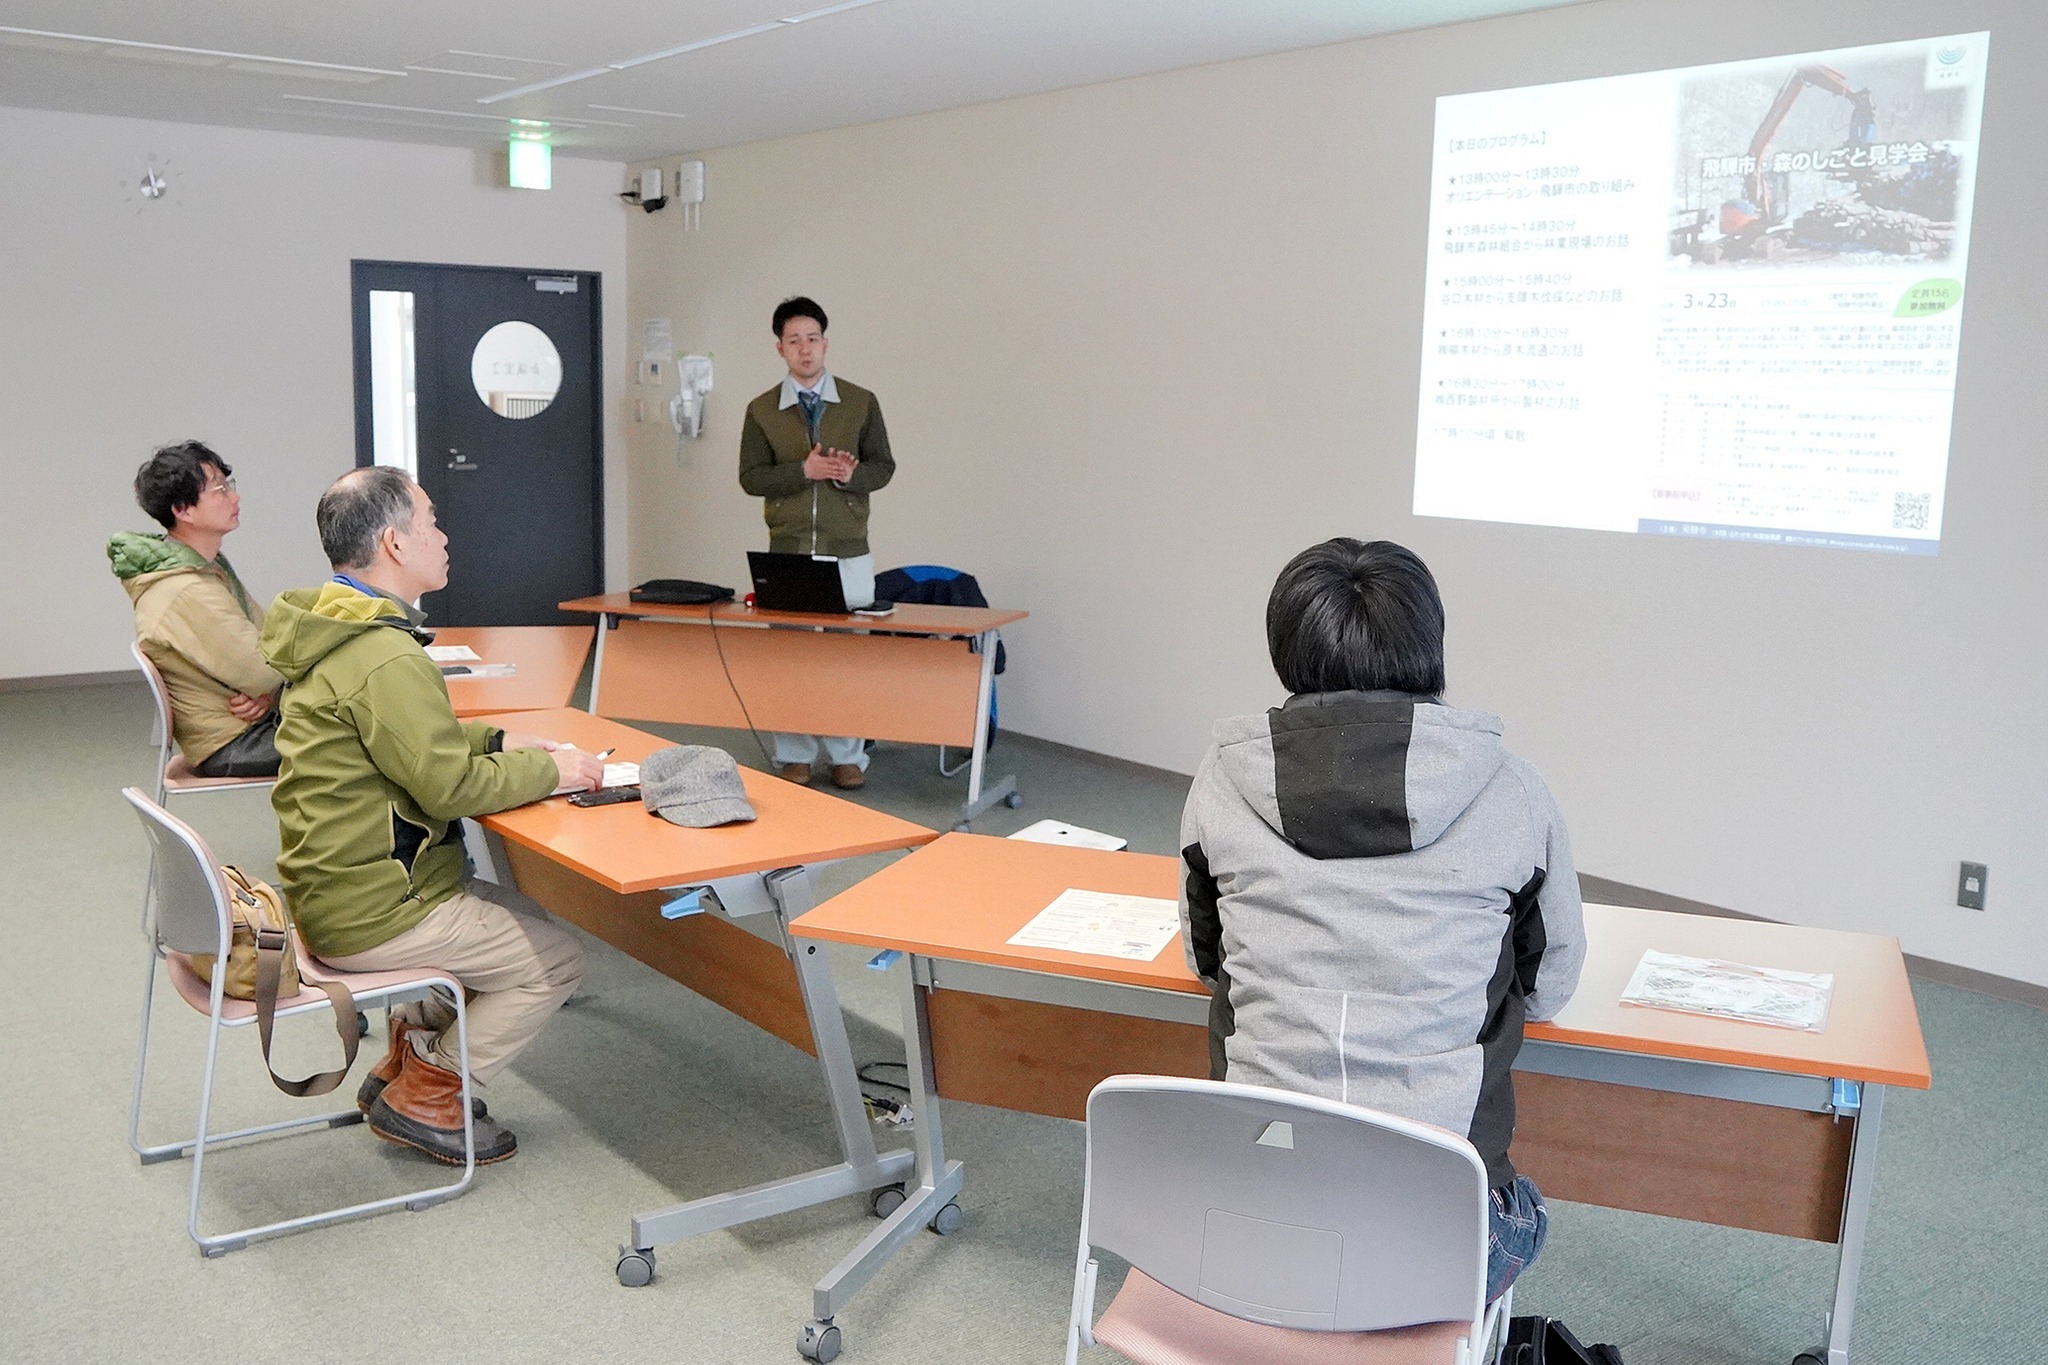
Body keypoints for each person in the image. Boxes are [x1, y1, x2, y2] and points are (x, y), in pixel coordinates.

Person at [1176, 538, 1585, 1303]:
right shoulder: (1512, 790)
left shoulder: (1218, 783)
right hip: (1437, 1240)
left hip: (1250, 1221)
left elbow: (1206, 955)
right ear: (1429, 644)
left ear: (1287, 648)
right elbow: (1552, 979)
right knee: (1518, 1216)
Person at [261, 466, 604, 1166]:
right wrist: (556, 769)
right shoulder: (383, 654)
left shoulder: (337, 629)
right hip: (379, 908)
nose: (444, 536)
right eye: (432, 521)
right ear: (394, 542)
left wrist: (502, 741)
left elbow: (406, 746)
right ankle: (429, 1089)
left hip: (338, 891)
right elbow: (447, 786)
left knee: (527, 920)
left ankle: (404, 1059)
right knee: (558, 959)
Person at [737, 295, 896, 789]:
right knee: (792, 658)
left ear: (825, 344)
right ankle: (795, 754)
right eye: (793, 341)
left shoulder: (860, 401)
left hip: (847, 546)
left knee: (847, 659)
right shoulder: (762, 409)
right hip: (787, 552)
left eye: (812, 339)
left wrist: (850, 475)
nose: (805, 350)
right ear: (779, 349)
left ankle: (848, 756)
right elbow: (751, 478)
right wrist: (800, 472)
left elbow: (883, 466)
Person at [107, 441, 285, 777]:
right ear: (183, 510)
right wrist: (266, 684)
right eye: (219, 489)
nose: (234, 497)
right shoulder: (185, 588)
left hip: (250, 724)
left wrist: (267, 690)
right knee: (362, 740)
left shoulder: (202, 566)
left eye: (228, 486)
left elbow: (269, 634)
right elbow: (264, 666)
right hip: (236, 740)